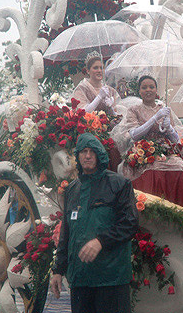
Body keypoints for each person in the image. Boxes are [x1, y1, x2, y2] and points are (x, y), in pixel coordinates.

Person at [50, 133, 139, 313]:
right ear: (78, 156)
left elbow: (130, 223)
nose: (88, 156)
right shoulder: (72, 190)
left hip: (110, 279)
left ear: (99, 155)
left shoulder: (119, 184)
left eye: (92, 151)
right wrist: (58, 270)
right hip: (80, 280)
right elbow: (66, 233)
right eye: (83, 151)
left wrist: (100, 241)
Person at [114, 75, 183, 212]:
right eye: (144, 87)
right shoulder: (134, 110)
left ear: (156, 90)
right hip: (142, 150)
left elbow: (176, 139)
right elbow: (134, 134)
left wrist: (169, 128)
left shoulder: (164, 109)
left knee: (181, 169)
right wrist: (154, 119)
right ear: (139, 91)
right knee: (153, 171)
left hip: (165, 149)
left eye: (151, 87)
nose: (148, 90)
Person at [71, 51, 121, 115]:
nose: (99, 71)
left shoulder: (110, 90)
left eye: (101, 68)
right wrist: (99, 97)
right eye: (95, 68)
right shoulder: (82, 89)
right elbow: (82, 112)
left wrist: (110, 108)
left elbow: (116, 117)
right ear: (88, 71)